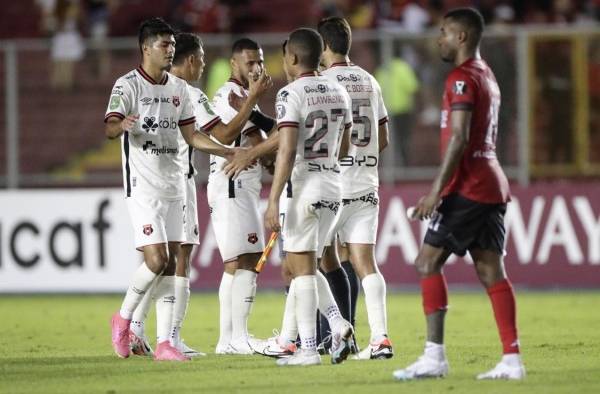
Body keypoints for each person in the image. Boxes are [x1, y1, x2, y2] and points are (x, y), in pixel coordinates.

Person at [105, 17, 266, 361]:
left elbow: (196, 137)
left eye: (172, 46)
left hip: (177, 185)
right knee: (163, 260)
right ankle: (132, 322)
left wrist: (229, 151)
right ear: (146, 48)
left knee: (171, 262)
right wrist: (122, 125)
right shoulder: (135, 86)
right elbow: (111, 126)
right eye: (165, 45)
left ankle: (163, 340)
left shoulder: (180, 92)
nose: (170, 51)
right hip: (147, 185)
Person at [392, 8, 525, 380]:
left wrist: (436, 191)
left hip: (470, 185)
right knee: (490, 269)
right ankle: (511, 359)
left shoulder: (462, 78)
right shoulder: (488, 76)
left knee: (426, 263)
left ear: (461, 37)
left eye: (444, 33)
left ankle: (434, 358)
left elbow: (461, 137)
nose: (439, 40)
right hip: (492, 183)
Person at [263, 28, 354, 366]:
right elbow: (344, 147)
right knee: (304, 265)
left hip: (303, 188)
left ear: (294, 58)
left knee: (301, 272)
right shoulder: (339, 91)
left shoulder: (290, 93)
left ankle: (309, 349)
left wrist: (272, 200)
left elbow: (286, 150)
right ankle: (339, 324)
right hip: (334, 186)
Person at [317, 16, 394, 360]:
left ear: (325, 46)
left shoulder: (322, 83)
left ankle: (317, 336)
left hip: (333, 186)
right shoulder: (369, 81)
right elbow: (384, 138)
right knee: (365, 263)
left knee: (309, 260)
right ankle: (380, 339)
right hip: (366, 183)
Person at [210, 38, 274, 355]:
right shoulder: (228, 95)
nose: (257, 68)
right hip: (232, 181)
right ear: (233, 64)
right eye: (249, 62)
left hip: (243, 184)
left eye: (259, 61)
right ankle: (239, 338)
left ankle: (229, 340)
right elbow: (223, 133)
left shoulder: (247, 96)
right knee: (247, 260)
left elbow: (256, 134)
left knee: (238, 263)